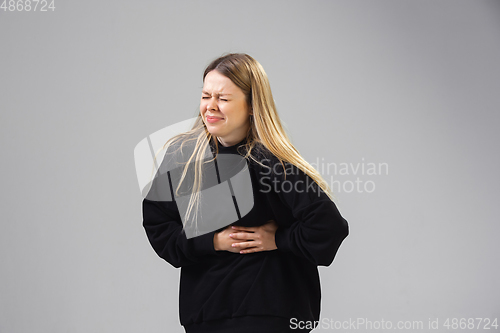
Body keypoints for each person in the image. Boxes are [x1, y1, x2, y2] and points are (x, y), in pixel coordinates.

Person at [142, 53, 349, 333]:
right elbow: (158, 225)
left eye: (223, 99)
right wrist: (214, 241)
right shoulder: (183, 156)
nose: (210, 107)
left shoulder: (273, 161)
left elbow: (328, 227)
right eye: (206, 96)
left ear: (252, 106)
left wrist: (277, 239)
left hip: (271, 314)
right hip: (206, 315)